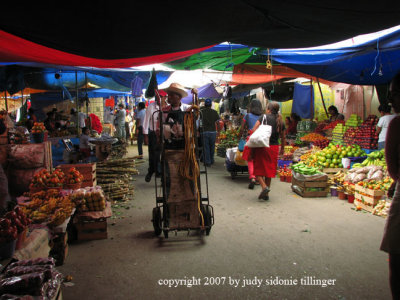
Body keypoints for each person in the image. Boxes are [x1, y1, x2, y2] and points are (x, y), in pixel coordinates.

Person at [380, 72, 400, 300]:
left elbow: (393, 169)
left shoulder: (397, 124)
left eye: (395, 94)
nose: (391, 100)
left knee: (396, 256)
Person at [245, 101, 285, 200]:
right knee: (269, 171)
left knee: (258, 168)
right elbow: (283, 137)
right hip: (274, 147)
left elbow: (254, 130)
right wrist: (282, 149)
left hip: (262, 146)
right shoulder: (280, 121)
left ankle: (264, 187)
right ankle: (266, 194)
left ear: (269, 109)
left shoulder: (263, 117)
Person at [143, 90, 168, 182]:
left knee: (164, 154)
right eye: (158, 97)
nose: (160, 99)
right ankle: (151, 171)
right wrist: (145, 135)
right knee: (153, 154)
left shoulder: (168, 107)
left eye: (162, 97)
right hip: (153, 133)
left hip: (165, 133)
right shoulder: (151, 107)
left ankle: (161, 172)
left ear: (165, 98)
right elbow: (146, 121)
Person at [239, 99, 263, 189]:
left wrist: (239, 137)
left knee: (250, 159)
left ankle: (252, 177)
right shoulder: (263, 116)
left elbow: (242, 129)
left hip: (251, 139)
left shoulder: (247, 116)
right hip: (261, 139)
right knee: (258, 159)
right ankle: (258, 178)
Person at [200, 98, 220, 167]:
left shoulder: (201, 112)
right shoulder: (214, 112)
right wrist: (219, 132)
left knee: (206, 147)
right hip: (213, 132)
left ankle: (208, 162)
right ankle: (211, 160)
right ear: (211, 105)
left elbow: (199, 122)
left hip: (204, 131)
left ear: (205, 104)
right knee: (212, 147)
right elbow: (218, 123)